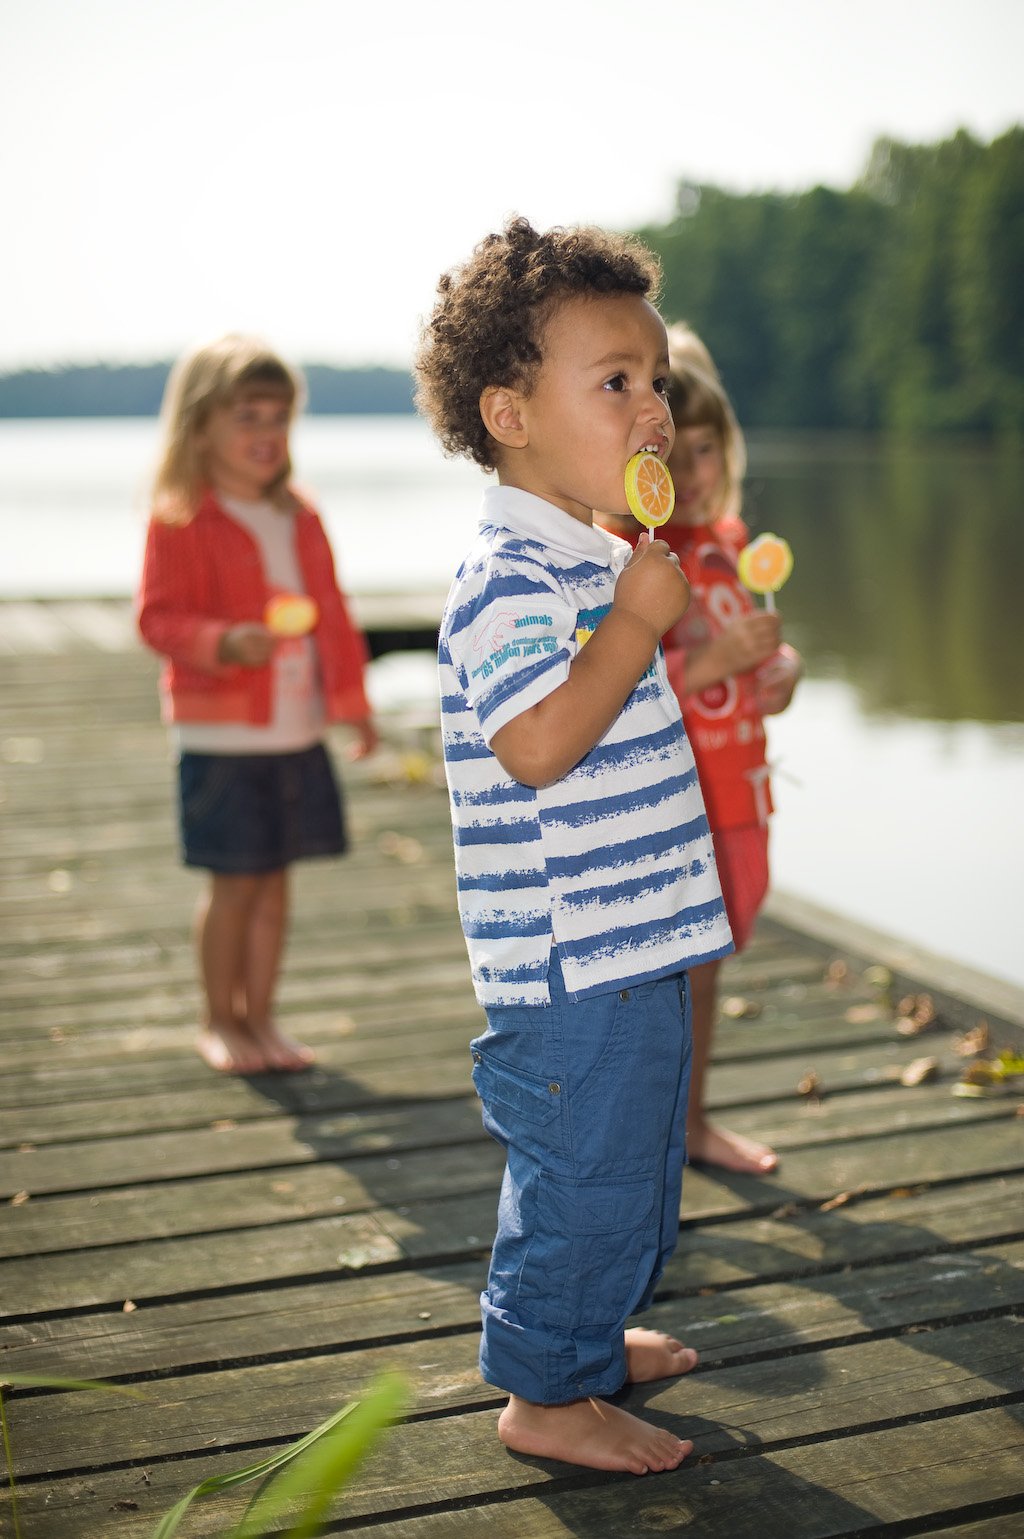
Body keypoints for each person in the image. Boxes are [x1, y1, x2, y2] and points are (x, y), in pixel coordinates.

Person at [414, 219, 734, 1476]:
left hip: (631, 938)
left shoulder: (594, 559)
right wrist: (635, 628)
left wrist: (636, 606)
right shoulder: (505, 578)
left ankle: (583, 1335)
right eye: (616, 383)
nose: (651, 408)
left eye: (655, 381)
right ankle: (544, 1393)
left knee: (638, 1152)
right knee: (584, 1172)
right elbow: (538, 742)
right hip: (564, 962)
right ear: (511, 413)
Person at [136, 335, 377, 1075]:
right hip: (222, 737)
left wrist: (352, 704)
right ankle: (221, 1019)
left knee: (276, 884)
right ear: (201, 424)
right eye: (248, 416)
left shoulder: (299, 515)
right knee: (234, 883)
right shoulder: (181, 518)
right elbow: (158, 618)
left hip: (294, 730)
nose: (266, 434)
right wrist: (219, 641)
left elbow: (331, 614)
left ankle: (263, 1019)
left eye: (278, 418)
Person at [599, 323, 802, 1174]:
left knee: (713, 971)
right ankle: (644, 1136)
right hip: (676, 808)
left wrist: (779, 669)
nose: (690, 475)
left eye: (707, 450)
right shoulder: (639, 560)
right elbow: (616, 693)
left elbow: (745, 661)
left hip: (739, 798)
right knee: (665, 981)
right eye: (672, 457)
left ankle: (690, 1121)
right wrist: (715, 661)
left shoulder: (727, 547)